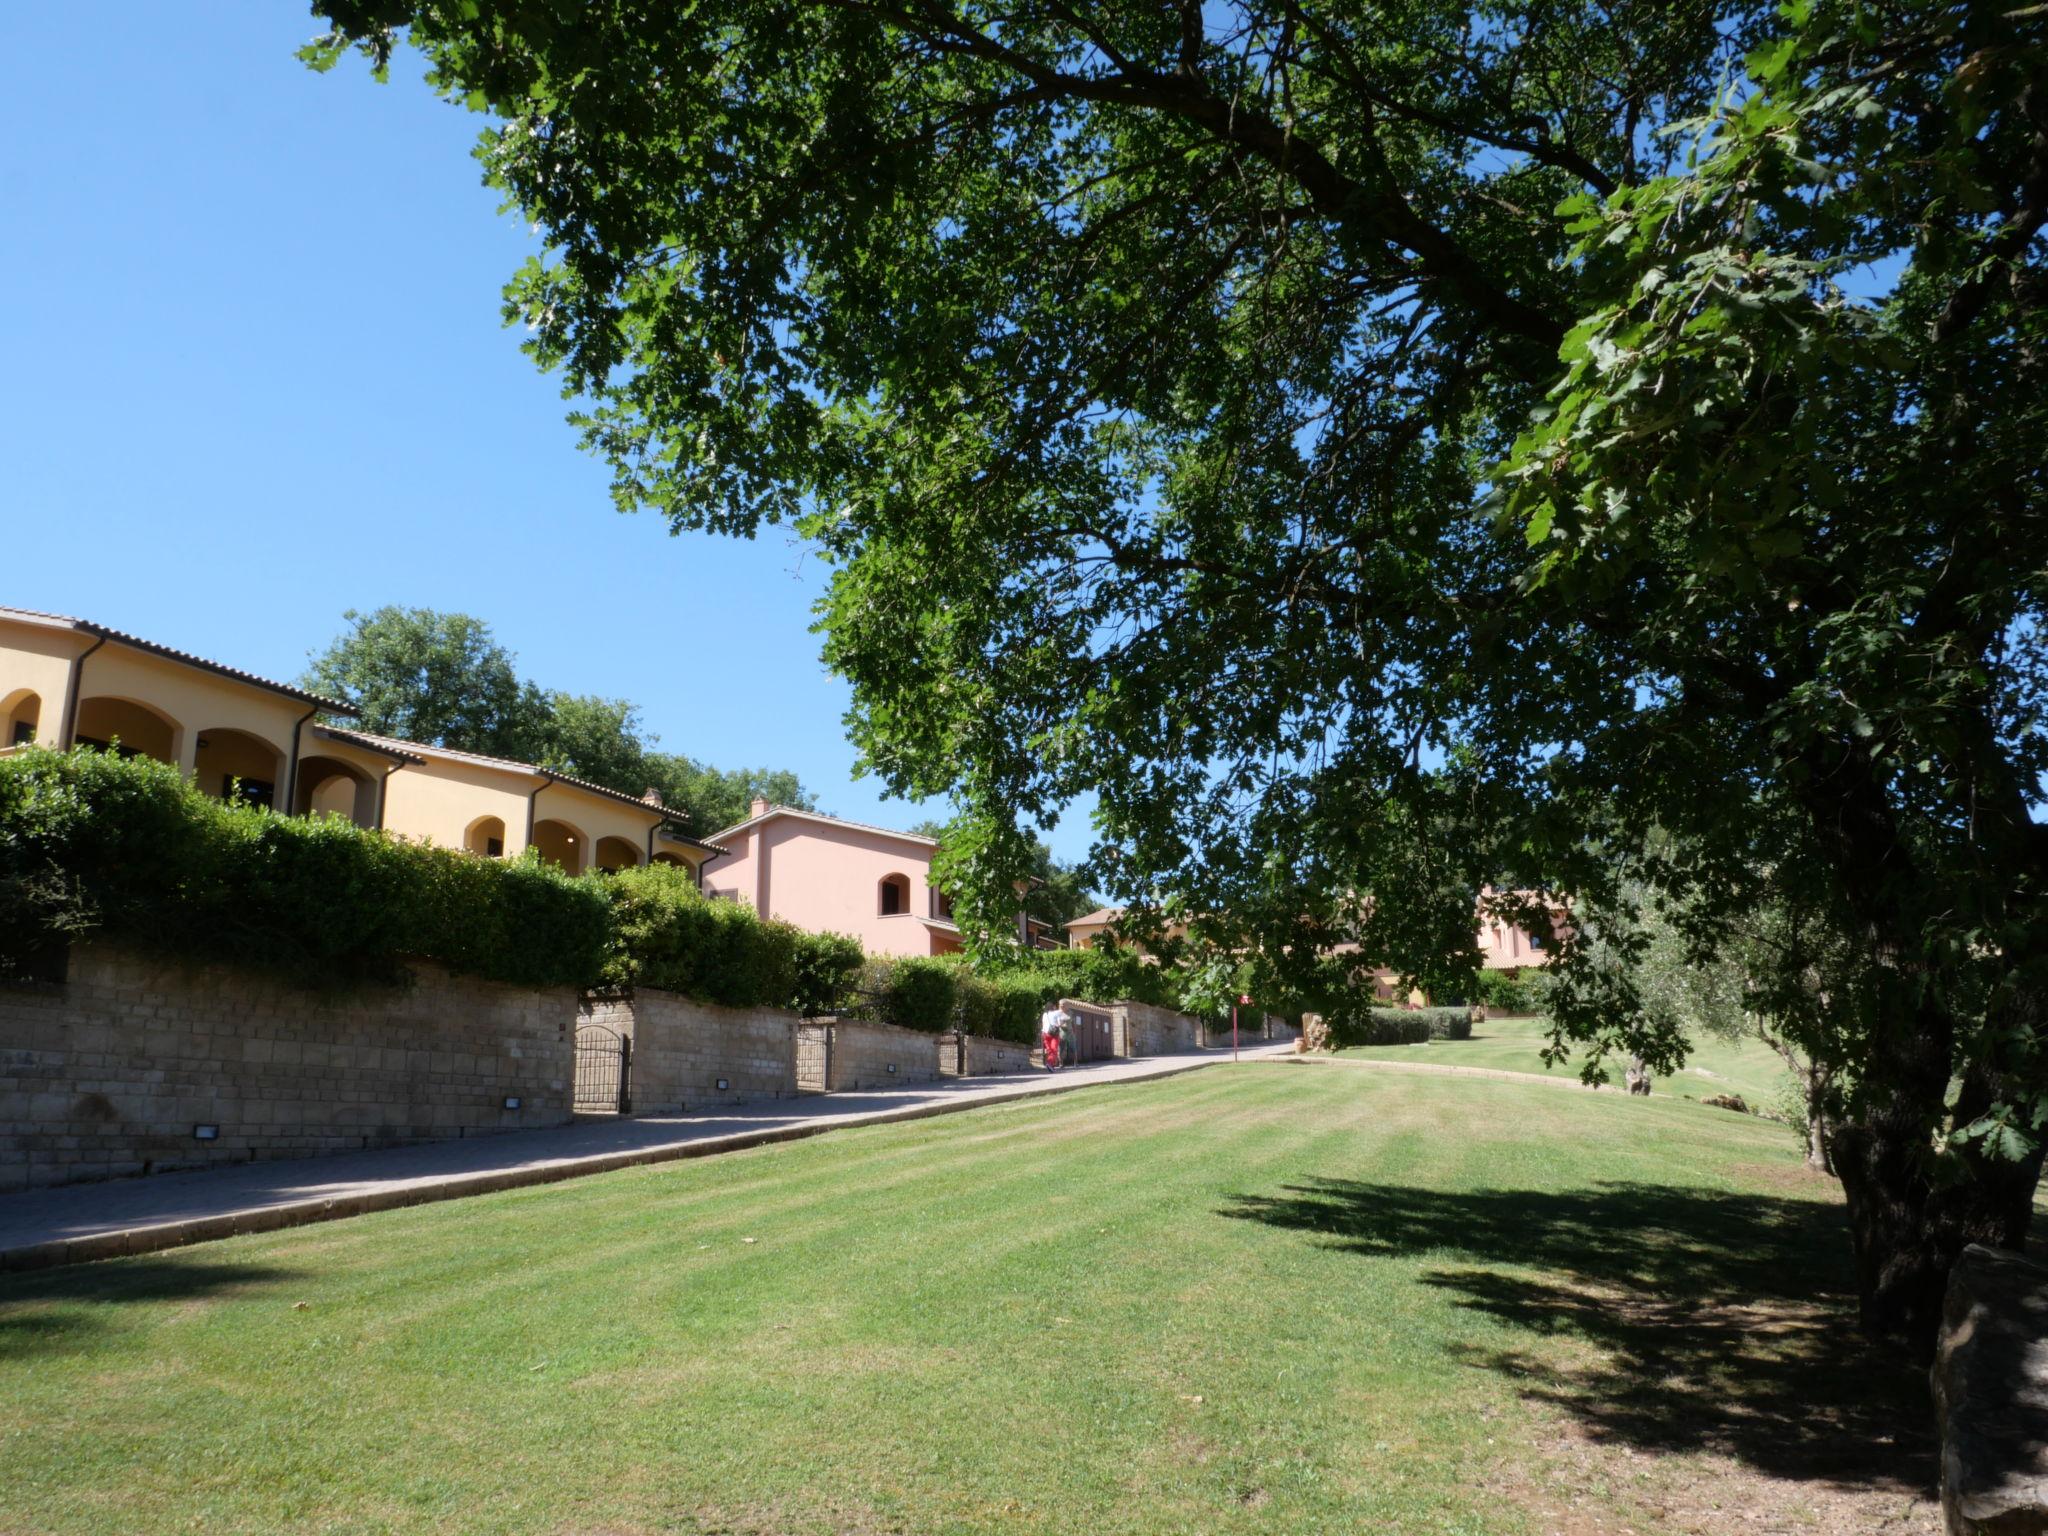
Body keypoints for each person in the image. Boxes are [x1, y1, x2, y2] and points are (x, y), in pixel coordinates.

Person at [1040, 1002, 1069, 1071]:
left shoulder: (1044, 1014)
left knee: (1049, 1051)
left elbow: (1043, 1024)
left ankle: (1051, 1067)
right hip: (1053, 1034)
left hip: (1045, 1034)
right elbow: (1061, 1021)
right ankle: (1049, 1063)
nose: (1055, 1007)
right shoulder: (1056, 1013)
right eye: (1054, 1006)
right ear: (1052, 1007)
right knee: (1054, 1050)